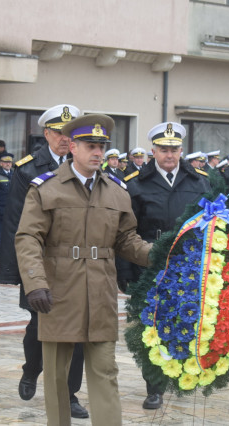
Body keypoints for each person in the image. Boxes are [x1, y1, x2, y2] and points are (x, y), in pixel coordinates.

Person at [15, 114, 152, 426]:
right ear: (72, 147)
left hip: (100, 293)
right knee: (56, 375)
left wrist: (159, 254)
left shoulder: (116, 191)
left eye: (101, 146)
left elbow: (127, 240)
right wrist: (35, 282)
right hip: (59, 292)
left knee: (106, 371)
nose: (98, 152)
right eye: (91, 146)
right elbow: (28, 237)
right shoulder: (46, 188)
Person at [0, 104, 89, 418]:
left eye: (70, 133)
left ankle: (70, 394)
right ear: (46, 134)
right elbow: (14, 222)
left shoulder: (86, 166)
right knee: (39, 324)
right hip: (40, 262)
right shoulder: (27, 169)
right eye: (58, 133)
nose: (65, 139)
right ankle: (31, 368)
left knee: (77, 330)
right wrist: (16, 271)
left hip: (76, 262)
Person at [119, 121, 211, 410]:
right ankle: (154, 387)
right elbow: (124, 232)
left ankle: (179, 373)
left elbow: (209, 225)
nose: (169, 155)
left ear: (181, 151)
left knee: (182, 320)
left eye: (174, 149)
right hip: (149, 262)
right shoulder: (135, 183)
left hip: (187, 264)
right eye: (163, 149)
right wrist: (125, 271)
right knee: (151, 326)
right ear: (153, 151)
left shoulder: (199, 181)